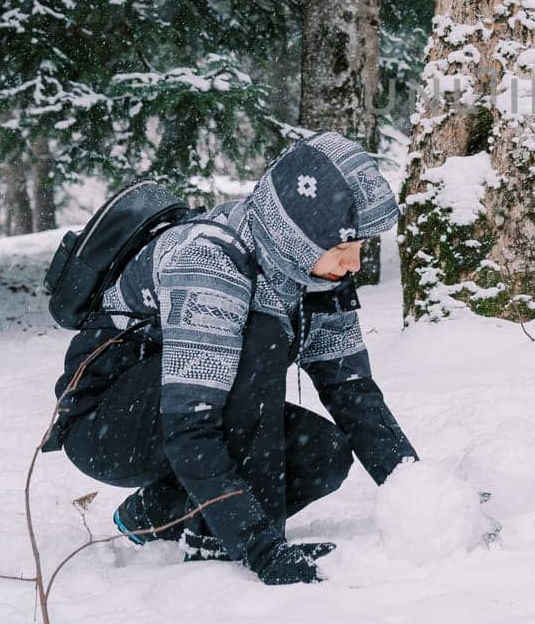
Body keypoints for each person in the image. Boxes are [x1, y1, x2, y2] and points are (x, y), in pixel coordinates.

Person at [46, 133, 416, 585]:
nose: (354, 263)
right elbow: (191, 427)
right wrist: (264, 550)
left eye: (359, 246)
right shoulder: (210, 263)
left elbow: (351, 390)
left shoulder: (311, 273)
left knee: (324, 454)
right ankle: (215, 544)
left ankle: (157, 511)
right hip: (110, 424)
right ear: (296, 235)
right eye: (342, 249)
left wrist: (423, 496)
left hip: (190, 410)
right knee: (260, 337)